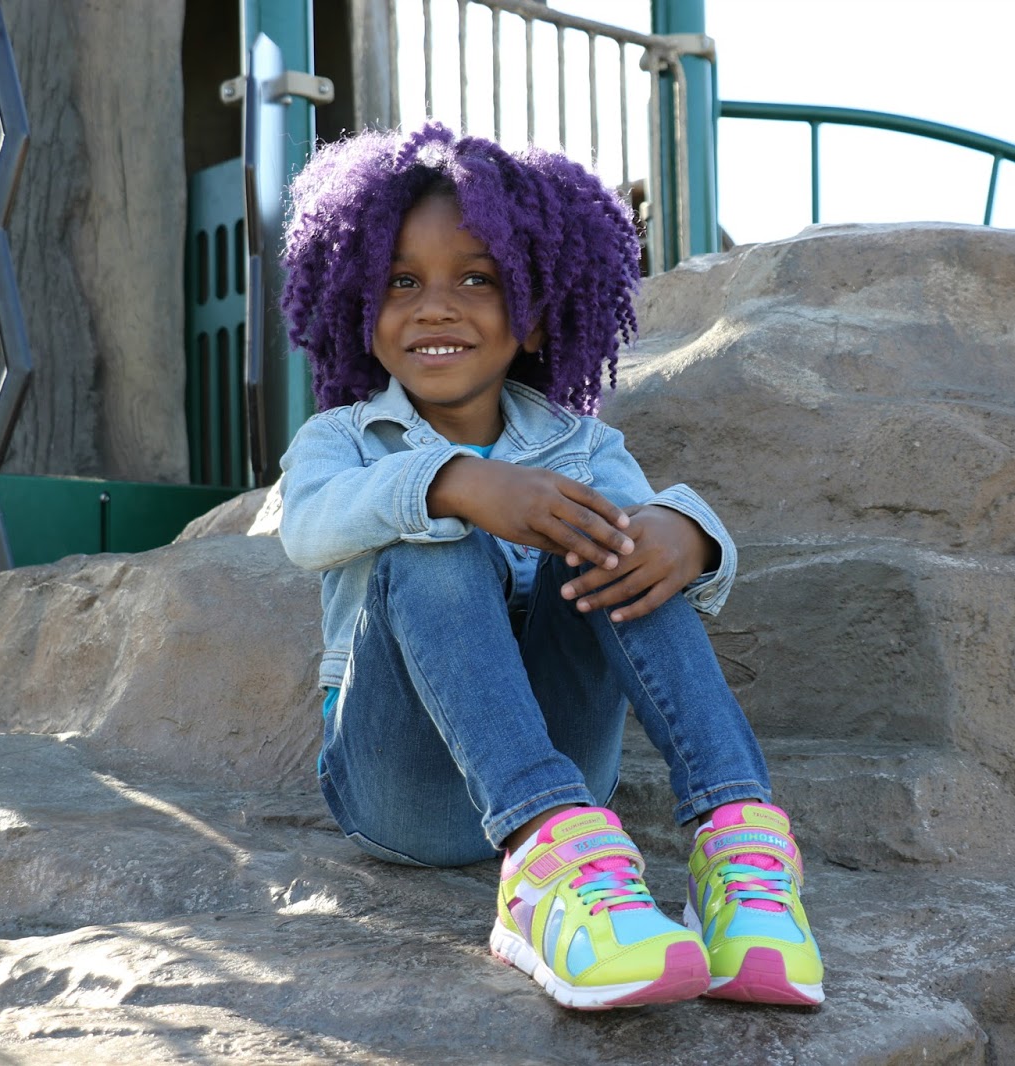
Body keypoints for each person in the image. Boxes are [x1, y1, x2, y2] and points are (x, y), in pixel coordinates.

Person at [276, 123, 823, 1010]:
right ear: (357, 301)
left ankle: (736, 856)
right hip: (398, 788)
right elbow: (306, 529)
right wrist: (452, 483)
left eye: (476, 280)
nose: (436, 307)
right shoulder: (342, 439)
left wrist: (688, 538)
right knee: (433, 548)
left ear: (531, 308)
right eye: (401, 281)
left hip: (568, 762)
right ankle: (542, 871)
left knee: (620, 548)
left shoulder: (579, 443)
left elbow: (650, 546)